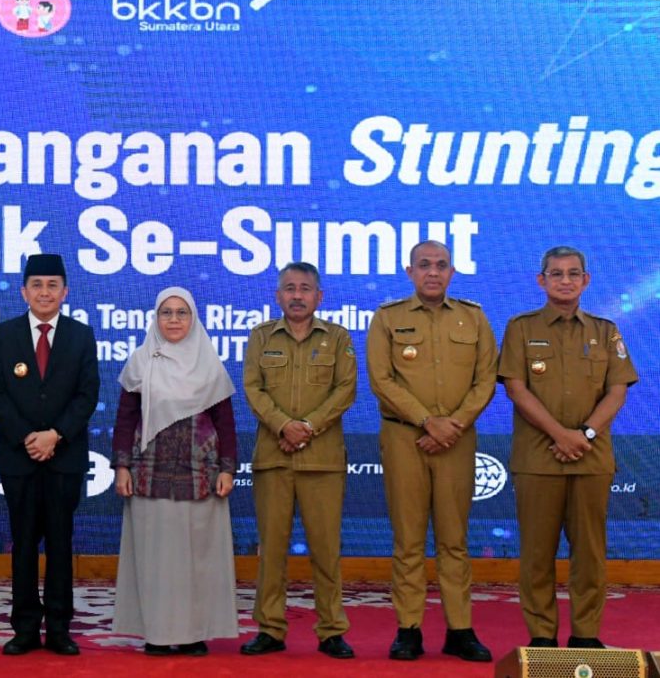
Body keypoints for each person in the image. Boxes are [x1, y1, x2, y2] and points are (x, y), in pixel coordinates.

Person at [497, 246, 636, 649]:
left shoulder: (605, 330)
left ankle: (586, 634)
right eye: (556, 273)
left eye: (573, 273)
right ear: (541, 280)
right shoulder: (521, 328)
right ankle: (541, 635)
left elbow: (617, 390)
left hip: (591, 458)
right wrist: (560, 434)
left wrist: (585, 435)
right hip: (539, 458)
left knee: (590, 554)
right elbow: (516, 388)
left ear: (586, 280)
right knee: (537, 553)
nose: (565, 280)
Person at [365, 240, 496, 662]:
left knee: (454, 540)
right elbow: (381, 380)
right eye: (424, 265)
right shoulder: (388, 318)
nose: (433, 272)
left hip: (457, 439)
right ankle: (409, 629)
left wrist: (451, 426)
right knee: (408, 540)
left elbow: (486, 379)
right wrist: (428, 421)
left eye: (441, 265)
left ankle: (460, 630)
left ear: (452, 271)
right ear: (410, 271)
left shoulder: (473, 318)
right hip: (405, 438)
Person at [0, 254, 99, 656]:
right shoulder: (3, 335)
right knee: (24, 544)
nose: (44, 292)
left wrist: (56, 435)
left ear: (65, 292)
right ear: (24, 291)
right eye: (37, 285)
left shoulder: (81, 336)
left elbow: (87, 396)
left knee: (62, 545)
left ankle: (61, 628)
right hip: (19, 458)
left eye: (52, 285)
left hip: (64, 458)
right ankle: (26, 627)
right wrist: (28, 437)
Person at [111, 287, 239, 657]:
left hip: (200, 474)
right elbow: (125, 419)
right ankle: (156, 632)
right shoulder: (140, 362)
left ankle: (194, 633)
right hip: (149, 474)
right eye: (166, 313)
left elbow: (225, 424)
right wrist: (122, 466)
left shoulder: (209, 364)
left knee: (197, 559)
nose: (174, 320)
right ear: (156, 318)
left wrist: (227, 469)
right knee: (157, 559)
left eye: (182, 313)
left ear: (193, 318)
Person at [240, 262, 356, 659]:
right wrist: (282, 426)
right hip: (274, 458)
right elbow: (253, 388)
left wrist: (306, 427)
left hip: (322, 460)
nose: (296, 295)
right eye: (289, 288)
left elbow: (346, 390)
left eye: (305, 288)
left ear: (318, 296)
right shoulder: (260, 337)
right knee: (271, 550)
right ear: (278, 296)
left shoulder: (338, 338)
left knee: (326, 550)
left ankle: (331, 630)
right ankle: (270, 628)